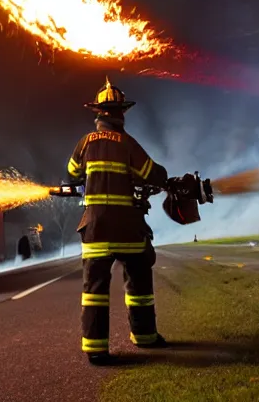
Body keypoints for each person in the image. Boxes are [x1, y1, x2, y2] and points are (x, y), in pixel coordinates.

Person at [67, 77, 169, 365]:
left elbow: (72, 173)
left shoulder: (85, 143)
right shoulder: (128, 144)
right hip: (128, 229)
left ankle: (96, 349)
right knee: (139, 283)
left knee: (94, 290)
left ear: (99, 113)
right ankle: (145, 337)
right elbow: (154, 174)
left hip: (96, 229)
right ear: (121, 112)